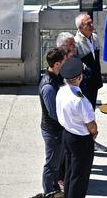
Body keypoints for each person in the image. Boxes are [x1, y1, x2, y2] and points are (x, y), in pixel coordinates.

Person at [56, 57, 98, 198]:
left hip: (67, 135)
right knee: (80, 177)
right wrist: (94, 133)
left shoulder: (61, 91)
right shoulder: (81, 100)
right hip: (81, 140)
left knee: (70, 172)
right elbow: (91, 125)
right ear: (79, 77)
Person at [39, 48, 66, 198]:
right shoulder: (48, 86)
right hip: (53, 131)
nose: (65, 64)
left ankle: (54, 188)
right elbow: (53, 113)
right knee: (52, 164)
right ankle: (49, 192)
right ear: (56, 64)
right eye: (63, 62)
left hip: (59, 130)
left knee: (57, 162)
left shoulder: (58, 76)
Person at [74, 13, 104, 109]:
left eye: (91, 23)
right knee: (84, 110)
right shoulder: (75, 43)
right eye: (88, 24)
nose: (92, 26)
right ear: (80, 27)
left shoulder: (94, 37)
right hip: (83, 84)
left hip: (94, 82)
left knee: (91, 109)